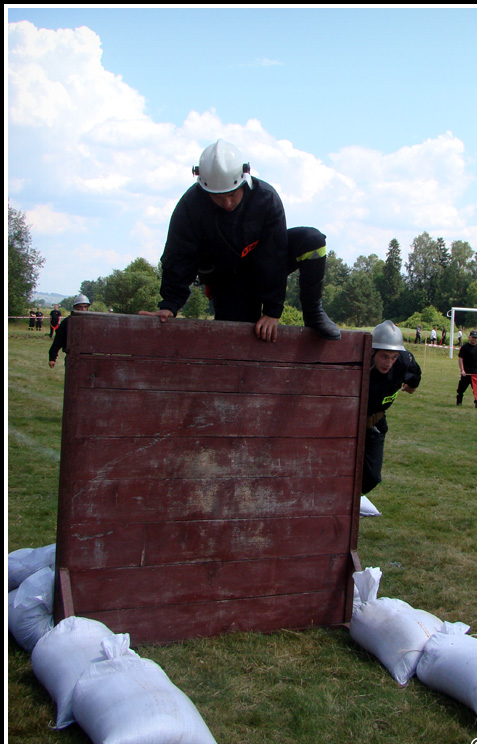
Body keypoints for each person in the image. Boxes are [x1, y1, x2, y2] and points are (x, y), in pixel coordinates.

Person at [139, 138, 340, 343]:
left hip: (264, 265)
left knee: (312, 241)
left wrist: (273, 311)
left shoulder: (266, 199)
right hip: (227, 279)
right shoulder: (190, 206)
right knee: (238, 341)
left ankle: (314, 313)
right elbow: (179, 255)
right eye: (218, 197)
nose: (227, 203)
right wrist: (169, 305)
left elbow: (275, 254)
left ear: (245, 179)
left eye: (233, 194)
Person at [362, 320, 422, 495]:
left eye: (393, 357)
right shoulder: (360, 361)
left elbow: (414, 383)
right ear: (372, 351)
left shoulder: (404, 361)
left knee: (372, 477)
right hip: (348, 423)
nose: (388, 363)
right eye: (384, 356)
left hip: (376, 424)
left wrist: (408, 387)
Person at [48, 294, 90, 368]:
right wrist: (52, 358)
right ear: (76, 307)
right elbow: (58, 340)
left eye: (85, 307)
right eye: (80, 307)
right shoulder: (68, 322)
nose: (83, 309)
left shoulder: (92, 322)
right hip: (73, 356)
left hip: (89, 358)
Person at [456, 330, 477, 410]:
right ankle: (459, 401)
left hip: (476, 372)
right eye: (473, 337)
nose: (474, 339)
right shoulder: (465, 347)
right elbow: (460, 359)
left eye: (475, 338)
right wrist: (462, 370)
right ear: (469, 337)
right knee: (461, 388)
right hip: (466, 372)